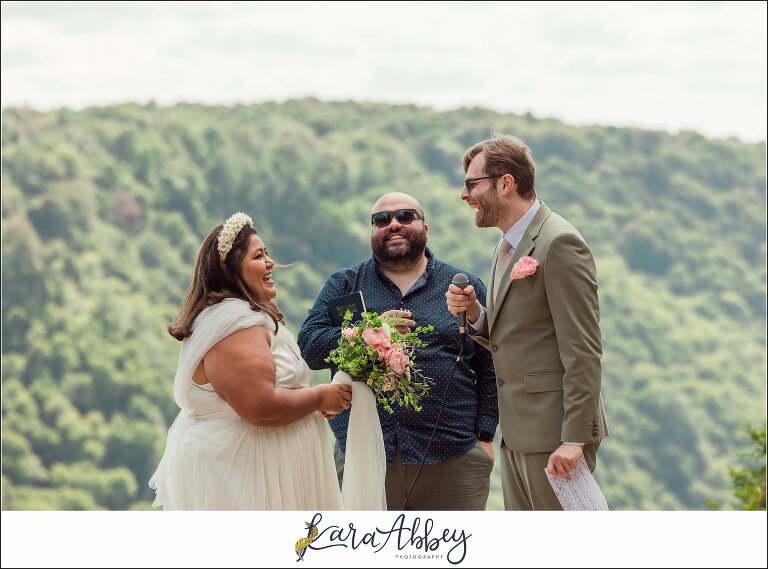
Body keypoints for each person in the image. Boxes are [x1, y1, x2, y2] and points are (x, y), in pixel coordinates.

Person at [298, 192, 498, 511]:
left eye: (405, 216)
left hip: (453, 457)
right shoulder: (344, 284)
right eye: (381, 220)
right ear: (372, 232)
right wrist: (368, 332)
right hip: (362, 457)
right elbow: (309, 346)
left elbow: (491, 363)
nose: (393, 224)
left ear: (425, 227)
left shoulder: (462, 286)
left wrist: (485, 436)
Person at [445, 135, 609, 511]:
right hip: (517, 431)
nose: (463, 195)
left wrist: (575, 439)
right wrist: (474, 314)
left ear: (506, 183)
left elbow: (583, 349)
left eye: (472, 184)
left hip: (554, 436)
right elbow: (517, 333)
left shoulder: (560, 243)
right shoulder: (508, 243)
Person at [149, 212, 351, 510]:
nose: (270, 263)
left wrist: (309, 403)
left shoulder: (244, 318)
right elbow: (257, 405)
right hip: (246, 474)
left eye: (267, 253)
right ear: (231, 270)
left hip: (264, 466)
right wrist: (319, 397)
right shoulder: (234, 323)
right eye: (259, 256)